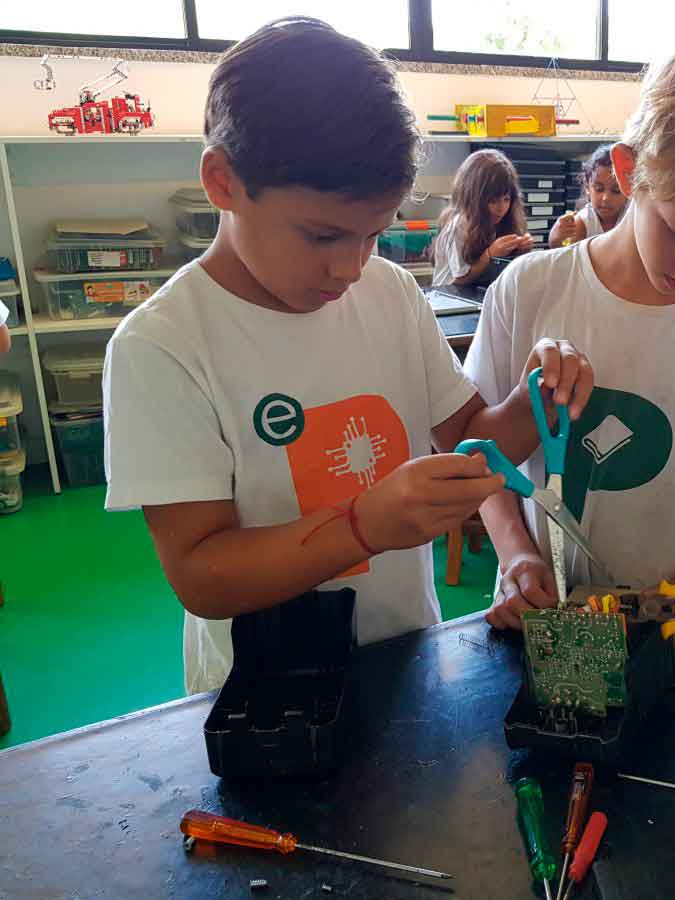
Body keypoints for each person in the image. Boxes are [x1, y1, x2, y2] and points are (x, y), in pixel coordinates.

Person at [103, 18, 592, 695]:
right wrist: (362, 526)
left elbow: (474, 441)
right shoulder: (163, 346)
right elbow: (202, 573)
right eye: (322, 235)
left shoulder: (387, 292)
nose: (349, 267)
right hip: (266, 695)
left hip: (404, 658)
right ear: (222, 182)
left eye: (373, 233)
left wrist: (537, 397)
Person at [464, 41, 675, 655]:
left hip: (674, 644)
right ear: (628, 173)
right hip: (533, 627)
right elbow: (482, 464)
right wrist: (517, 555)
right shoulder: (529, 289)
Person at [432, 149, 534, 287]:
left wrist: (520, 251)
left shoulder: (502, 221)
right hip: (449, 298)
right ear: (473, 198)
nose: (501, 208)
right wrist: (490, 254)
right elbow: (460, 279)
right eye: (492, 201)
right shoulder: (459, 226)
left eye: (506, 199)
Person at [548, 144, 627, 248]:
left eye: (616, 191)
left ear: (629, 189)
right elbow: (569, 260)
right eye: (599, 189)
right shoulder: (582, 223)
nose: (605, 198)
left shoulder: (633, 215)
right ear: (587, 187)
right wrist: (554, 241)